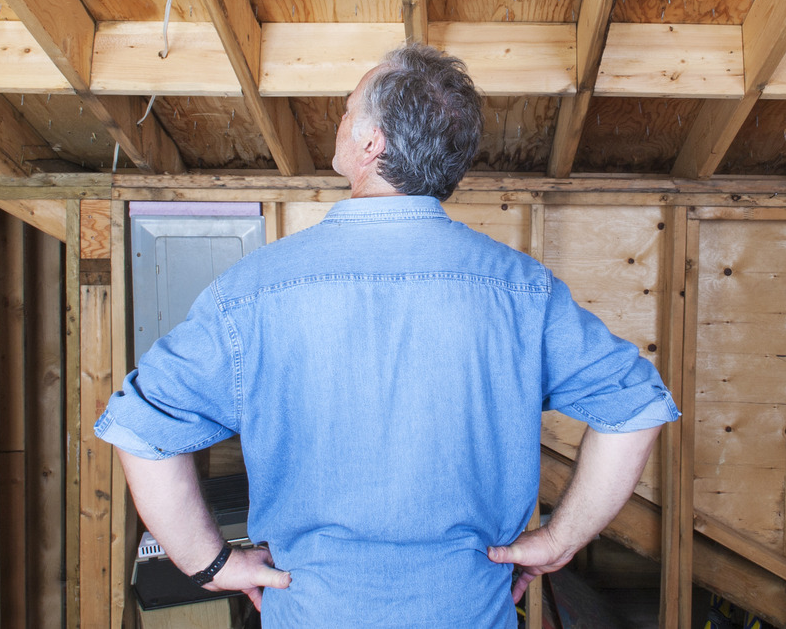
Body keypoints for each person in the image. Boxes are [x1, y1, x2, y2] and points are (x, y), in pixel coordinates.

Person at [94, 43, 680, 627]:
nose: (339, 122)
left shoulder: (251, 292)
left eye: (348, 111)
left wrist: (209, 563)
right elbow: (634, 408)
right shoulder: (524, 291)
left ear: (372, 144)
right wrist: (560, 539)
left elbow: (142, 428)